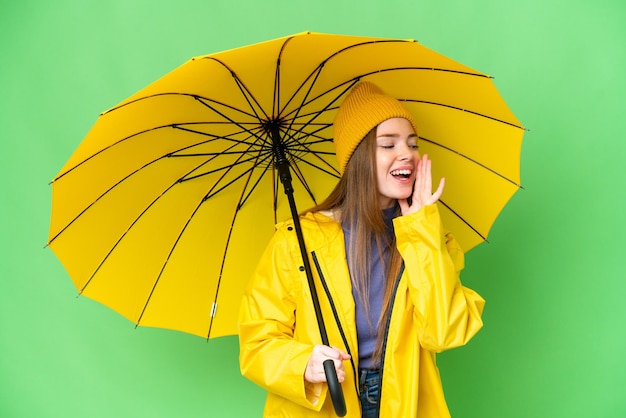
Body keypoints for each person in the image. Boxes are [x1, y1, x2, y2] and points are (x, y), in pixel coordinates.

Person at [238, 81, 485, 417]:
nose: (407, 154)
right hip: (327, 401)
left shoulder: (428, 237)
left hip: (404, 401)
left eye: (412, 144)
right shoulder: (296, 242)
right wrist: (302, 364)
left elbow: (443, 332)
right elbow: (257, 343)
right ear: (357, 157)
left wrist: (421, 231)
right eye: (388, 144)